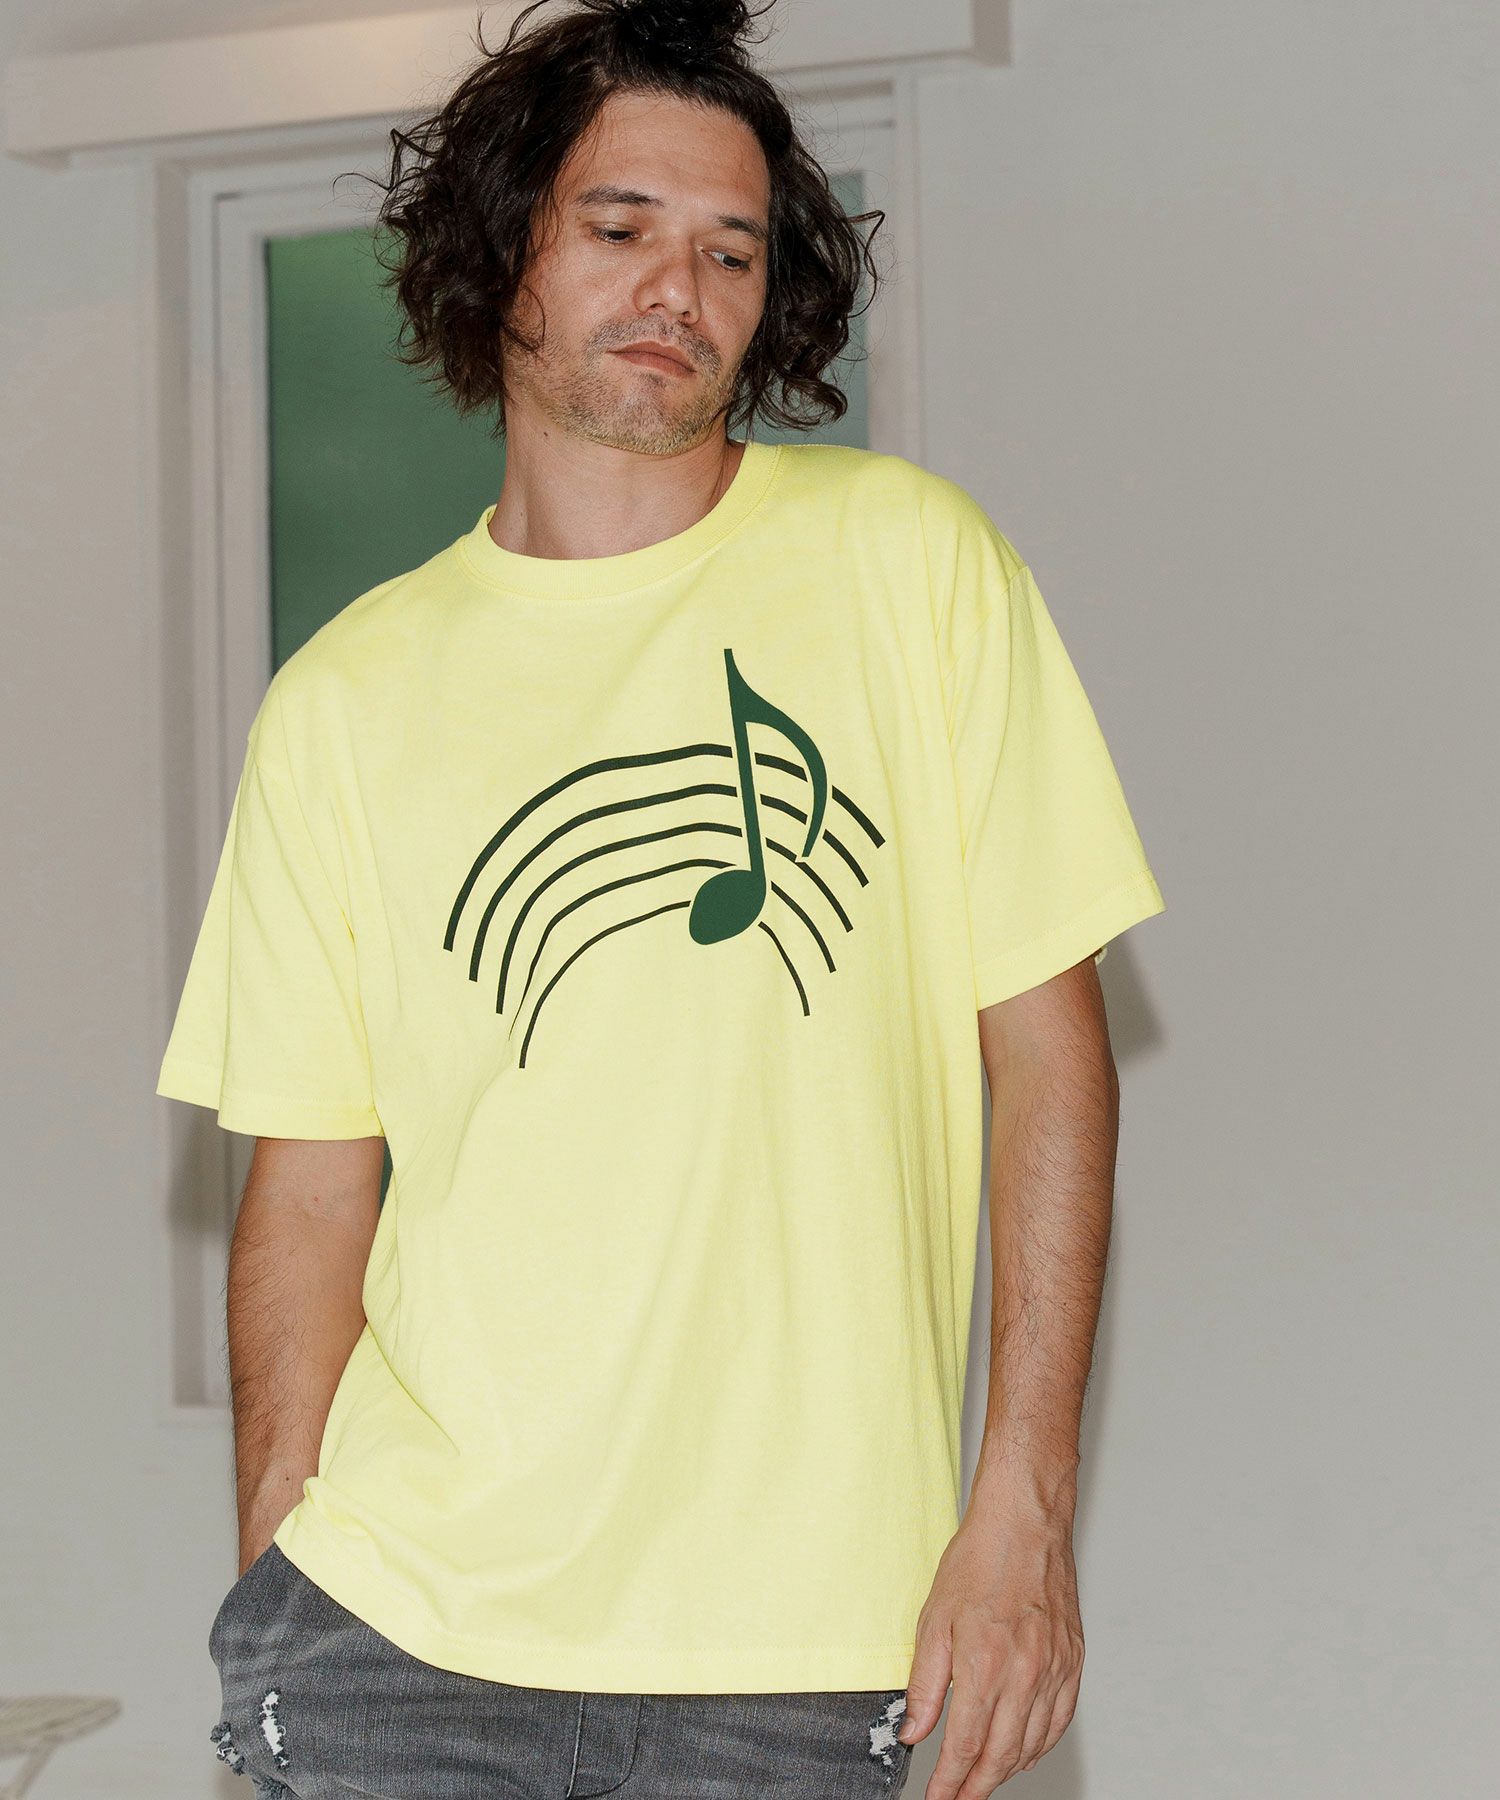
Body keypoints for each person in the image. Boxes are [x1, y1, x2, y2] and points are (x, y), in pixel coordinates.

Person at [156, 1, 1167, 1795]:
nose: (676, 289)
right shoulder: (345, 698)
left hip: (811, 1654)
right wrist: (278, 1580)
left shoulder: (910, 568)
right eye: (620, 228)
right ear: (505, 251)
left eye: (729, 251)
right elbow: (306, 1194)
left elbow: (1052, 1063)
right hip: (401, 1642)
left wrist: (1022, 1511)